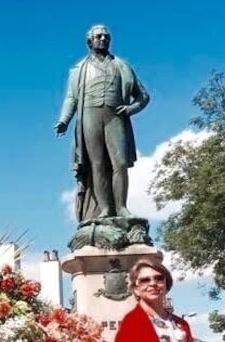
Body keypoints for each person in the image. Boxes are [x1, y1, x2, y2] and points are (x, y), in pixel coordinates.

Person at [55, 24, 151, 223]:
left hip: (115, 116)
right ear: (89, 41)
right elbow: (71, 98)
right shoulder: (78, 70)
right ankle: (105, 209)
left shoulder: (122, 66)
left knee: (120, 163)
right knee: (96, 165)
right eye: (98, 36)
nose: (103, 39)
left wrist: (131, 109)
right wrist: (64, 120)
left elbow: (144, 96)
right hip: (89, 115)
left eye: (106, 36)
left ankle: (122, 208)